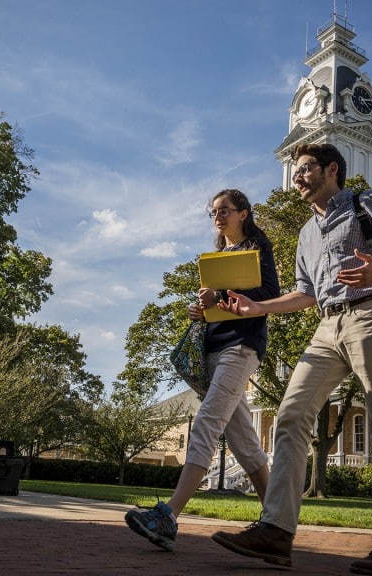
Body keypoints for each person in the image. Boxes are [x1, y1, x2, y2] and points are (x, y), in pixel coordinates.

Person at [211, 143, 372, 576]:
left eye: (305, 169)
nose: (298, 177)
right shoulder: (306, 232)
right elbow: (304, 293)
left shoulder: (364, 203)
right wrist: (258, 308)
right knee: (290, 416)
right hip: (326, 326)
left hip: (370, 315)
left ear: (331, 170)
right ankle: (277, 531)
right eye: (295, 170)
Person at [125, 188, 280, 552]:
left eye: (225, 210)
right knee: (245, 445)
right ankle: (278, 523)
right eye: (213, 212)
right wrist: (201, 311)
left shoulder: (256, 249)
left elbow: (270, 295)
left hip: (241, 347)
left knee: (207, 422)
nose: (217, 217)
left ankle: (168, 516)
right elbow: (216, 304)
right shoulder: (219, 255)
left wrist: (221, 295)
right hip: (212, 346)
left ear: (243, 213)